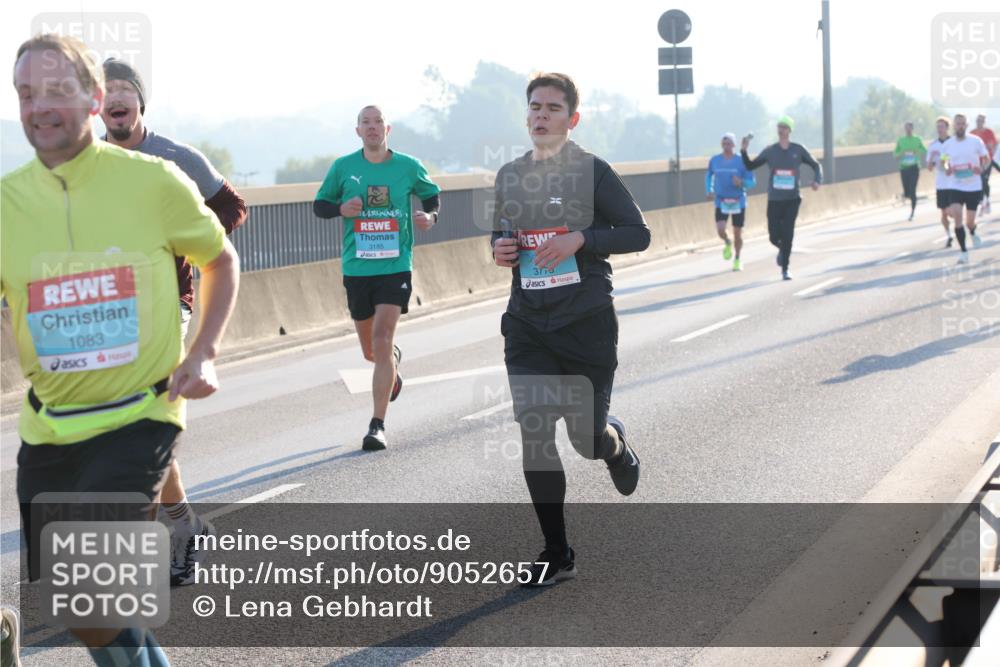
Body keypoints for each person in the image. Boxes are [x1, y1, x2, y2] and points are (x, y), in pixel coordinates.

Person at [3, 34, 239, 666]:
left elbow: (219, 259)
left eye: (57, 90)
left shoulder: (154, 180)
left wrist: (204, 351)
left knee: (94, 597)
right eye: (26, 93)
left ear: (93, 99)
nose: (40, 106)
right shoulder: (6, 203)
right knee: (86, 614)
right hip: (48, 428)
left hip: (139, 416)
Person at [490, 73, 649, 587]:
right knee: (536, 433)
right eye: (535, 107)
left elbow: (638, 233)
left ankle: (614, 445)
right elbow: (502, 234)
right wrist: (500, 249)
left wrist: (581, 239)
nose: (541, 115)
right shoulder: (510, 176)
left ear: (572, 118)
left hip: (586, 325)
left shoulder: (592, 172)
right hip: (528, 326)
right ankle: (557, 553)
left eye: (553, 108)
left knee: (585, 440)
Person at [100, 57, 248, 587]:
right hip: (106, 308)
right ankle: (184, 526)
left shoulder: (175, 158)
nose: (116, 98)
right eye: (106, 90)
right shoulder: (85, 162)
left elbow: (232, 208)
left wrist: (180, 238)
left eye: (125, 89)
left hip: (167, 305)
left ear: (140, 101)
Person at [313, 106, 440, 451]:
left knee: (382, 338)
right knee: (372, 351)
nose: (372, 127)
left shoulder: (408, 166)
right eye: (366, 123)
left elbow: (432, 196)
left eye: (378, 122)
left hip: (395, 267)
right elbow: (320, 205)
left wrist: (430, 216)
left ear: (388, 129)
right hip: (357, 269)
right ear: (358, 131)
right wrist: (340, 209)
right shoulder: (343, 167)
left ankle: (377, 425)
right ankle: (391, 366)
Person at [740, 115, 822, 280]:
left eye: (784, 127)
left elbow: (816, 165)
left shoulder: (798, 150)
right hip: (775, 199)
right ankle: (783, 249)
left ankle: (785, 268)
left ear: (790, 130)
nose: (781, 130)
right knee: (773, 236)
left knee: (788, 233)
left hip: (792, 199)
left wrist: (817, 180)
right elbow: (750, 166)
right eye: (779, 127)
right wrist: (743, 150)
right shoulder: (770, 151)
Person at [942, 113, 989, 264]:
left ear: (966, 125)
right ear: (953, 126)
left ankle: (973, 231)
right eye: (958, 124)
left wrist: (981, 168)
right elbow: (944, 160)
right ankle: (963, 252)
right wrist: (947, 168)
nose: (960, 126)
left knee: (969, 222)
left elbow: (986, 158)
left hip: (973, 186)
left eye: (963, 124)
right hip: (955, 185)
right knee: (958, 218)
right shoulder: (948, 144)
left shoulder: (975, 141)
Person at [705, 132, 756, 271]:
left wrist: (741, 182)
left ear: (734, 145)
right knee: (720, 230)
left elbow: (752, 182)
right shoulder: (715, 160)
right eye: (724, 144)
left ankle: (738, 259)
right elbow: (709, 175)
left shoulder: (741, 160)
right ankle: (727, 242)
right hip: (721, 200)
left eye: (729, 143)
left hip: (738, 200)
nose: (726, 146)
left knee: (737, 233)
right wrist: (709, 190)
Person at [926, 116, 954, 247]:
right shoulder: (933, 146)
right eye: (938, 127)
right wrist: (932, 156)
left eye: (942, 126)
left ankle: (958, 226)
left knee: (952, 212)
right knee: (944, 212)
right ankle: (949, 235)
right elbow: (929, 168)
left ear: (947, 128)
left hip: (954, 182)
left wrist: (947, 162)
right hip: (941, 183)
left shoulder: (954, 143)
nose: (939, 129)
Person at [893, 121, 926, 221]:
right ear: (904, 129)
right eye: (906, 128)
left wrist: (917, 151)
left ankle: (912, 212)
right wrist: (901, 153)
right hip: (904, 168)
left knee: (912, 190)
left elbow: (925, 150)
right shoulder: (901, 140)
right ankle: (905, 195)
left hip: (914, 167)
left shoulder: (917, 139)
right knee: (907, 192)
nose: (908, 130)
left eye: (909, 128)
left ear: (912, 129)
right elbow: (895, 154)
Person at [970, 114, 997, 217]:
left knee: (984, 180)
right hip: (976, 162)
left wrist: (992, 152)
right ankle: (982, 202)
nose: (979, 123)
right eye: (978, 121)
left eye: (981, 121)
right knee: (979, 181)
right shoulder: (972, 133)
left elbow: (994, 145)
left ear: (984, 122)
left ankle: (986, 200)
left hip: (987, 161)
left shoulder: (989, 132)